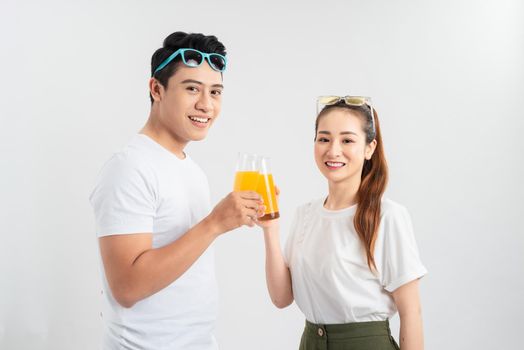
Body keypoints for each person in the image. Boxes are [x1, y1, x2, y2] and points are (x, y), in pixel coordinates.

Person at [89, 31, 263, 350]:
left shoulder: (190, 169)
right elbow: (126, 287)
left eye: (215, 91)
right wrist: (214, 224)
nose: (206, 105)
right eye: (192, 88)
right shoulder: (129, 168)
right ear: (157, 89)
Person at [259, 96, 427, 350]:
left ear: (369, 148)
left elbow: (411, 312)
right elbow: (281, 298)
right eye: (324, 139)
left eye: (347, 140)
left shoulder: (388, 216)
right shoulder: (305, 214)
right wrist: (270, 228)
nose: (333, 150)